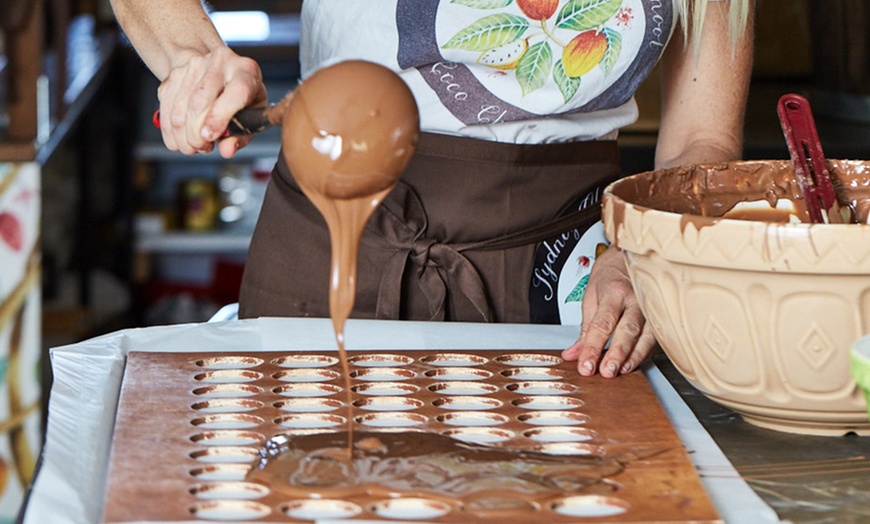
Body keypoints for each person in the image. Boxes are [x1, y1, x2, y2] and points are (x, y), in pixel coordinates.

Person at [110, 0, 754, 378]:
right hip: (337, 247)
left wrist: (644, 247)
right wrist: (195, 60)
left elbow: (704, 138)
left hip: (574, 279)